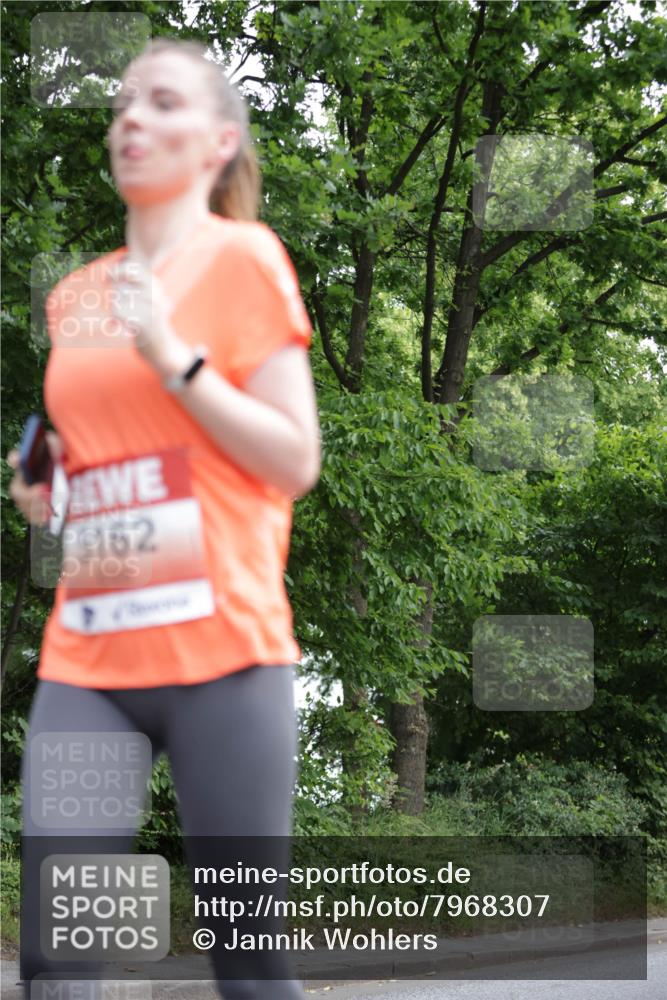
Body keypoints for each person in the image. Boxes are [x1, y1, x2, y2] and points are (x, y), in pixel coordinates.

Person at [6, 36, 320, 1000]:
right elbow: (108, 454)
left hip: (224, 655)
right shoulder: (74, 297)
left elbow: (293, 457)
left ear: (218, 142)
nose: (132, 118)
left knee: (246, 962)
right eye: (124, 103)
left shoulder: (244, 260)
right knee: (59, 959)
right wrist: (46, 489)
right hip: (91, 657)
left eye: (164, 104)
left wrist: (171, 353)